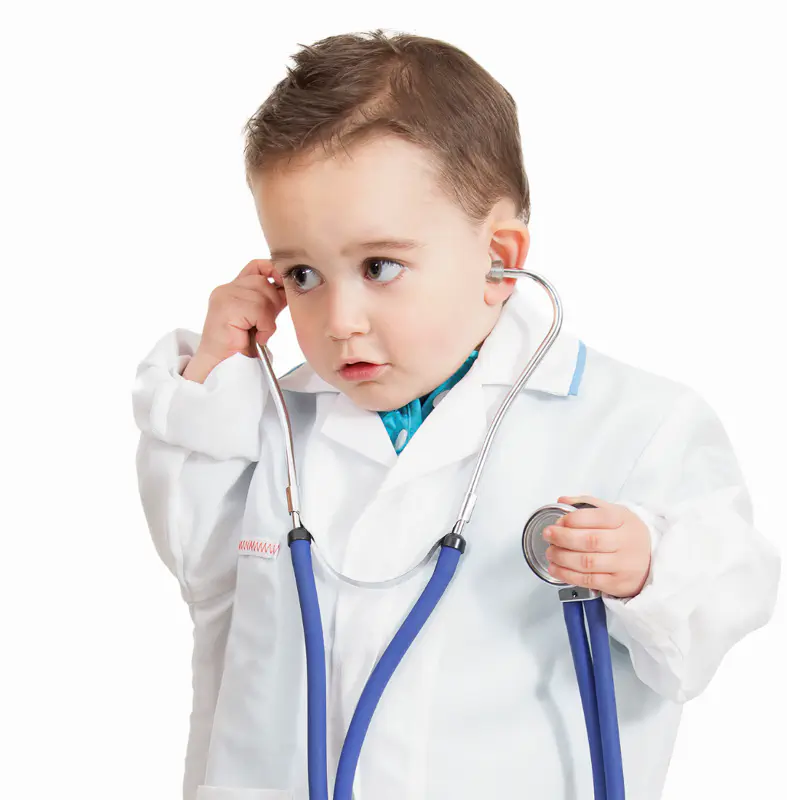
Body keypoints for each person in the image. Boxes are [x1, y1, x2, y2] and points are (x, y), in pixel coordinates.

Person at [131, 30, 780, 800]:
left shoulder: (634, 422)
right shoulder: (270, 419)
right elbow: (199, 566)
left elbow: (716, 609)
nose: (339, 319)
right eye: (301, 273)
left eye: (379, 267)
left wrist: (647, 567)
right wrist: (212, 377)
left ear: (500, 259)